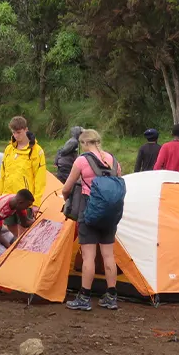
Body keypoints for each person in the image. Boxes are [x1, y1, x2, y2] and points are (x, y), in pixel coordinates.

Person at [62, 129, 122, 311]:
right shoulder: (114, 161)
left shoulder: (82, 160)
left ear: (84, 143)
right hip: (110, 213)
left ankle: (84, 297)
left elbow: (67, 187)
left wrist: (67, 199)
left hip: (89, 210)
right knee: (108, 255)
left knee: (89, 256)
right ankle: (111, 296)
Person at [0, 116, 47, 237]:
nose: (16, 135)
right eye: (13, 132)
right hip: (8, 198)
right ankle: (15, 249)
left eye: (19, 132)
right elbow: (3, 174)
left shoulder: (36, 151)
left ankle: (21, 251)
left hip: (25, 200)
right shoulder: (8, 149)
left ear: (26, 130)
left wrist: (36, 202)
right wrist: (0, 196)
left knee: (24, 233)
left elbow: (40, 178)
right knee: (10, 231)